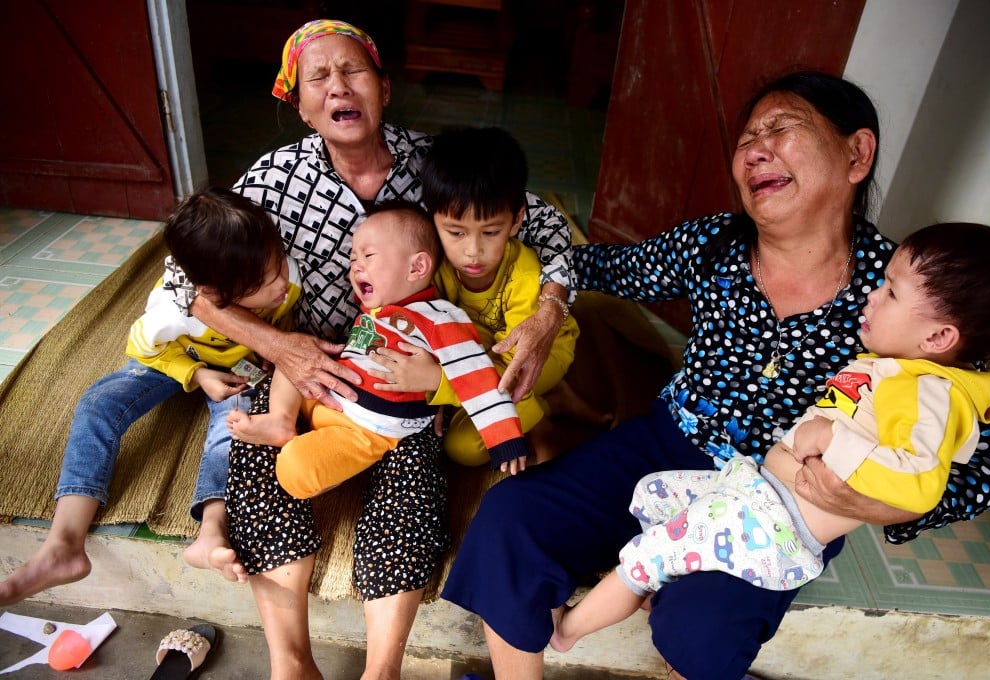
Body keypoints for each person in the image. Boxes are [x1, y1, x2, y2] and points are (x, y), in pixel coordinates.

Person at [440, 71, 990, 680]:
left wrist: (889, 504)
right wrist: (550, 307)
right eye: (747, 137)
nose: (755, 149)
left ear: (857, 153)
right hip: (665, 445)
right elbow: (585, 262)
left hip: (783, 504)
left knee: (702, 628)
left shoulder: (904, 294)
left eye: (782, 128)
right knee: (512, 520)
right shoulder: (715, 243)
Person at [185, 19, 576, 680]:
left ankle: (382, 670)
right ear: (300, 103)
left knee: (415, 469)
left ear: (384, 87)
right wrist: (282, 346)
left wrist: (547, 311)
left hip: (406, 371)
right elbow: (186, 284)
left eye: (354, 70)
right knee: (261, 448)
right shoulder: (275, 178)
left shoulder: (432, 163)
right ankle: (292, 663)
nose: (339, 86)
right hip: (315, 359)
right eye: (320, 78)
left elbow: (547, 225)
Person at [550, 221, 990, 652]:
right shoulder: (900, 373)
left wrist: (835, 442)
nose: (872, 296)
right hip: (757, 490)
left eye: (892, 293)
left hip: (775, 524)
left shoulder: (927, 394)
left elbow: (918, 480)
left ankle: (567, 631)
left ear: (938, 338)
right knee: (655, 493)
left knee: (647, 555)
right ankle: (668, 574)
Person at [0, 187, 301, 607]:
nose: (281, 285)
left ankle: (211, 529)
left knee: (236, 427)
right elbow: (143, 347)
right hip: (173, 359)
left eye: (279, 267)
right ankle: (64, 543)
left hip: (235, 370)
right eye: (264, 282)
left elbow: (280, 324)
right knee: (98, 404)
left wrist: (267, 352)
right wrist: (196, 374)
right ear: (213, 295)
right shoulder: (170, 312)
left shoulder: (284, 282)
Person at [226, 200, 528, 495]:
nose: (355, 267)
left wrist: (505, 440)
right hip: (332, 396)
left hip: (367, 428)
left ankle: (330, 463)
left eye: (368, 255)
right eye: (353, 259)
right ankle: (281, 419)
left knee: (294, 470)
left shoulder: (440, 318)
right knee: (292, 357)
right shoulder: (376, 311)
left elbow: (479, 378)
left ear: (417, 267)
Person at [421, 125, 603, 469]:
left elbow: (513, 368)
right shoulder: (436, 267)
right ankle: (553, 401)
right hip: (484, 359)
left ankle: (543, 425)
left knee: (464, 447)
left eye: (490, 232)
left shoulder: (524, 270)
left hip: (535, 356)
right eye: (455, 232)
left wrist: (441, 384)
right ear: (431, 218)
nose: (473, 251)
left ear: (517, 219)